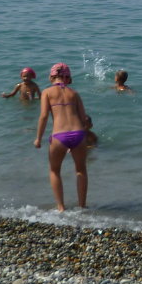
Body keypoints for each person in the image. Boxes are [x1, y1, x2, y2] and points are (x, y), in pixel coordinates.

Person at [34, 63, 89, 212]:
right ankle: (82, 206)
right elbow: (83, 119)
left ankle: (61, 207)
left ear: (51, 77)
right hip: (78, 134)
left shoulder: (47, 92)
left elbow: (44, 116)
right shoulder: (74, 93)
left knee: (54, 170)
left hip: (59, 136)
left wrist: (38, 138)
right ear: (69, 79)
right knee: (81, 170)